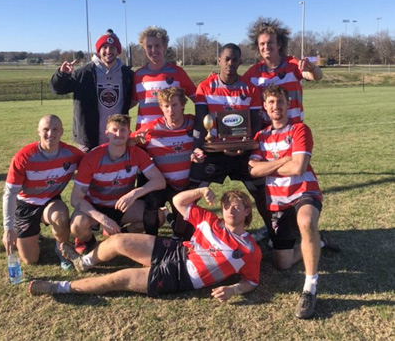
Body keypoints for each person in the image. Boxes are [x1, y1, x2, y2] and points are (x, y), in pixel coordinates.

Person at [29, 187, 262, 301]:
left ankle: (58, 287)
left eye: (237, 206)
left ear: (247, 211)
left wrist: (233, 289)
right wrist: (201, 190)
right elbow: (178, 201)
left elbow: (251, 280)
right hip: (177, 250)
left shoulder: (249, 249)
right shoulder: (210, 220)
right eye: (227, 205)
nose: (231, 210)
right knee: (118, 240)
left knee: (118, 279)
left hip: (183, 276)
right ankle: (84, 262)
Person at [248, 85, 338, 319]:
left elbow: (299, 168)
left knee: (306, 221)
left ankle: (310, 288)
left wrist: (271, 165)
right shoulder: (260, 136)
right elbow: (254, 171)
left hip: (304, 192)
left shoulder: (299, 129)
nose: (276, 106)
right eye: (271, 102)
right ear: (265, 107)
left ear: (288, 104)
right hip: (278, 202)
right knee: (283, 263)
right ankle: (319, 243)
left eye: (280, 102)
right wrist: (286, 158)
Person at [188, 43, 268, 239]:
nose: (230, 63)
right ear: (219, 61)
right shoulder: (205, 87)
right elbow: (201, 123)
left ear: (240, 61)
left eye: (235, 59)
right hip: (214, 152)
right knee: (192, 191)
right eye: (227, 59)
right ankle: (183, 234)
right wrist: (197, 150)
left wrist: (244, 147)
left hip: (242, 152)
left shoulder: (250, 89)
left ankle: (274, 232)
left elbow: (255, 124)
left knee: (260, 191)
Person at [69, 114, 166, 253]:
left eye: (123, 130)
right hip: (96, 206)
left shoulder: (136, 153)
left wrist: (134, 193)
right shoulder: (92, 157)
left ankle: (122, 232)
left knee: (158, 217)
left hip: (122, 205)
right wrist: (103, 219)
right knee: (77, 226)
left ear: (129, 133)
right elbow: (75, 198)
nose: (119, 134)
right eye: (114, 130)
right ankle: (91, 243)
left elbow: (159, 181)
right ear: (106, 133)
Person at [2, 115, 84, 270]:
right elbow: (10, 194)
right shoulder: (24, 156)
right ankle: (32, 235)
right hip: (25, 205)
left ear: (61, 132)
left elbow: (93, 165)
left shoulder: (72, 154)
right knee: (30, 260)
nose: (50, 134)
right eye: (45, 129)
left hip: (50, 201)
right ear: (38, 132)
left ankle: (62, 248)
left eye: (55, 129)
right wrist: (8, 229)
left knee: (60, 216)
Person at [51, 29, 134, 152]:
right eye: (104, 47)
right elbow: (57, 89)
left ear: (118, 51)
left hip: (118, 138)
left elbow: (134, 98)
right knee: (88, 171)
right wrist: (62, 75)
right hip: (89, 141)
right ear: (98, 49)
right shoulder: (84, 73)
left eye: (112, 47)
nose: (108, 51)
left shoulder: (127, 75)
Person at [130, 86, 194, 235]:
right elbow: (127, 141)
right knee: (151, 202)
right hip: (162, 184)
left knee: (184, 233)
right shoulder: (152, 128)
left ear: (183, 105)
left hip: (186, 184)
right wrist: (133, 141)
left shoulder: (194, 123)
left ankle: (172, 220)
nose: (170, 110)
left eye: (175, 105)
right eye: (166, 106)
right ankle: (152, 241)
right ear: (161, 108)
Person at [244, 17, 323, 125]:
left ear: (279, 44)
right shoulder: (252, 73)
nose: (266, 47)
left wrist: (312, 68)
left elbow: (317, 76)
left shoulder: (292, 64)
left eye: (270, 42)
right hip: (267, 135)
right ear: (258, 47)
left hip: (293, 131)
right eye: (262, 44)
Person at [132, 26, 196, 130]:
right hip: (144, 138)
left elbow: (199, 99)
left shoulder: (177, 72)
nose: (153, 50)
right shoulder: (138, 75)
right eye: (149, 46)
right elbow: (129, 103)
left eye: (157, 45)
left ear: (164, 46)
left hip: (170, 137)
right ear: (144, 48)